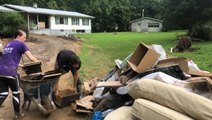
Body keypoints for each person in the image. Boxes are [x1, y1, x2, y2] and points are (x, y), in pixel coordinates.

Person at [0, 30, 39, 120]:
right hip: (11, 72)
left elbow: (7, 59)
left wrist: (21, 65)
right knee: (16, 93)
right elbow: (31, 58)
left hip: (1, 72)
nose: (25, 39)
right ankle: (17, 115)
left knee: (3, 94)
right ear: (18, 36)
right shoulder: (21, 44)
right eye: (24, 37)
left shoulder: (8, 45)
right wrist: (39, 62)